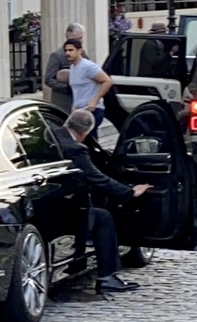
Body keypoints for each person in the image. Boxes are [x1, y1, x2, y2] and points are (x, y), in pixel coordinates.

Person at [55, 108, 144, 296]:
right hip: (64, 209)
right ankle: (107, 276)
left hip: (52, 204)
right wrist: (129, 192)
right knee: (103, 218)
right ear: (85, 132)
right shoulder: (76, 148)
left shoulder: (54, 135)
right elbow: (96, 178)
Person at [59, 38, 112, 115]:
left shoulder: (88, 66)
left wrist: (95, 101)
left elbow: (107, 81)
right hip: (79, 111)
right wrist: (74, 107)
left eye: (71, 50)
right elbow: (78, 90)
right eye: (66, 50)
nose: (67, 53)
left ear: (79, 51)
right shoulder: (73, 67)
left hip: (92, 110)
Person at [45, 22, 88, 112]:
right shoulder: (57, 55)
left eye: (81, 38)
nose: (81, 41)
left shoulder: (83, 54)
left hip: (81, 102)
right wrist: (67, 88)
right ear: (69, 37)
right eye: (79, 38)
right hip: (64, 102)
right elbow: (49, 80)